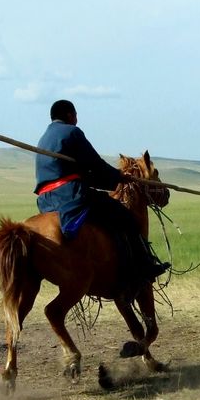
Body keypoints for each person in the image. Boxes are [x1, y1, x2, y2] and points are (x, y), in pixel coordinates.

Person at [34, 99, 169, 283]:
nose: (76, 119)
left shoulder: (43, 139)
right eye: (76, 115)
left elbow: (85, 172)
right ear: (69, 115)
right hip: (70, 195)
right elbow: (95, 164)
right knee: (126, 217)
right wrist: (118, 177)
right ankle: (144, 266)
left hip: (45, 200)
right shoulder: (72, 132)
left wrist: (113, 181)